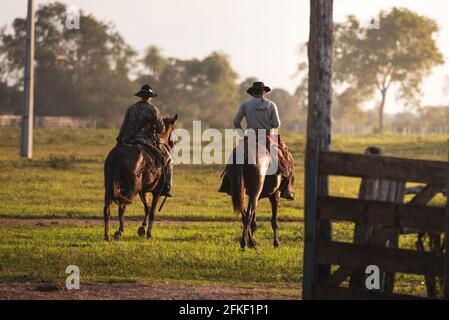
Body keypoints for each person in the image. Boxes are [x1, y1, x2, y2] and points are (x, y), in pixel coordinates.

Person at [233, 81, 295, 200]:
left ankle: (228, 184)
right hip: (267, 138)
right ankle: (286, 189)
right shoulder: (271, 105)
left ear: (252, 93)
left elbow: (236, 122)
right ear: (264, 92)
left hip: (250, 138)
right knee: (286, 158)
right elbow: (276, 124)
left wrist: (242, 135)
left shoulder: (245, 105)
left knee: (234, 159)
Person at [116, 84, 174, 197]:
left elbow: (124, 127)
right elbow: (161, 129)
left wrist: (120, 141)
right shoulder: (154, 110)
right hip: (148, 141)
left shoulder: (131, 108)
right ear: (150, 97)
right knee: (169, 158)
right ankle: (167, 187)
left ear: (140, 96)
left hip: (130, 141)